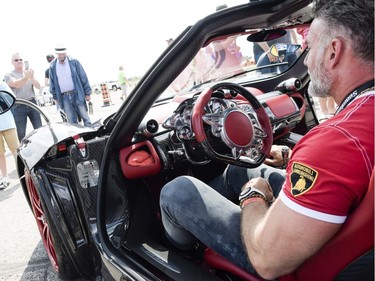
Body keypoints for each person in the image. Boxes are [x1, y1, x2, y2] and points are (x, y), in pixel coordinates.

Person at [159, 0, 374, 280]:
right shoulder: (356, 126)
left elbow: (267, 261)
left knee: (177, 192)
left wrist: (253, 195)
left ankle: (189, 261)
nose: (306, 60)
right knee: (239, 169)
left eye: (310, 49)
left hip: (291, 262)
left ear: (333, 52)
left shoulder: (335, 140)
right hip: (347, 234)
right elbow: (344, 166)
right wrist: (292, 158)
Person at [49, 44, 92, 126]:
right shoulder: (52, 66)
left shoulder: (74, 62)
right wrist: (55, 97)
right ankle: (77, 138)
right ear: (56, 54)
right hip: (64, 97)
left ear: (66, 52)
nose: (61, 55)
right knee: (72, 122)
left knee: (86, 118)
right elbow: (52, 83)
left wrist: (87, 93)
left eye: (63, 53)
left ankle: (91, 136)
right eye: (59, 54)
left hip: (77, 94)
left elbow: (83, 77)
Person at [4, 53, 42, 142]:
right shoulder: (8, 75)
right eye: (16, 60)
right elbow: (15, 84)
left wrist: (31, 77)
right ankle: (23, 153)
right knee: (21, 133)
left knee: (40, 129)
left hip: (32, 103)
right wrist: (26, 78)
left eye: (21, 59)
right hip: (18, 106)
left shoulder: (28, 73)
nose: (19, 61)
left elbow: (38, 86)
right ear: (12, 62)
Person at [0, 83, 19, 189]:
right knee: (0, 154)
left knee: (16, 150)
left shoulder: (2, 85)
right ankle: (4, 177)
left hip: (8, 124)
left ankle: (22, 173)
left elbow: (11, 100)